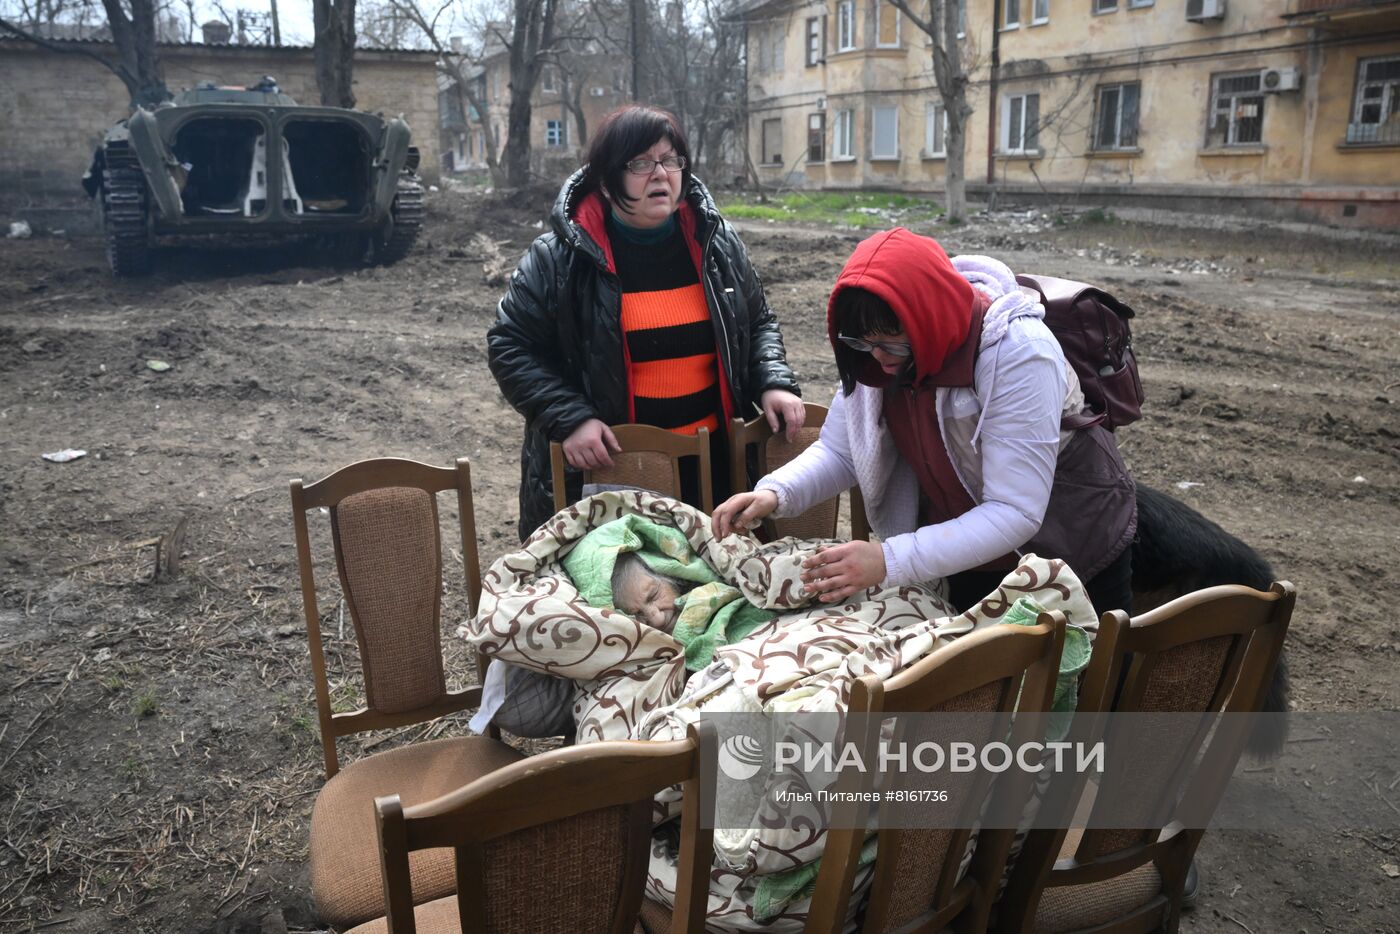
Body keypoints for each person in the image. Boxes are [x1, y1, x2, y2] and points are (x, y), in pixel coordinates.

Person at [711, 228, 1137, 616]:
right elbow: (842, 451)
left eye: (889, 341)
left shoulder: (1018, 353)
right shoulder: (878, 359)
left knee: (1074, 682)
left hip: (1072, 544)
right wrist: (775, 492)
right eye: (861, 342)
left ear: (928, 316)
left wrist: (888, 559)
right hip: (967, 549)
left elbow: (1014, 511)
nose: (876, 357)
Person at [489, 104, 804, 540]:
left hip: (711, 468)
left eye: (671, 159)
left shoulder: (716, 243)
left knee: (715, 590)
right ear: (604, 178)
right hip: (611, 470)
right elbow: (510, 346)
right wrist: (570, 418)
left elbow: (758, 321)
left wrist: (772, 380)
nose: (661, 174)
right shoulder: (558, 257)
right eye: (640, 163)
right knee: (630, 595)